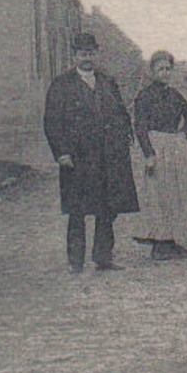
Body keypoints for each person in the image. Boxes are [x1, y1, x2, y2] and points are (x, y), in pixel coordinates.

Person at [42, 31, 139, 273]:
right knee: (77, 211)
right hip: (77, 159)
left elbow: (120, 113)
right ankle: (76, 261)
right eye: (82, 54)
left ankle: (103, 257)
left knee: (107, 209)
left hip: (107, 158)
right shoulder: (61, 85)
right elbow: (52, 122)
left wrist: (125, 135)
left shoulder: (107, 82)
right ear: (74, 56)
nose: (87, 58)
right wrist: (61, 153)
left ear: (96, 55)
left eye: (91, 54)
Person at [132, 50, 187, 261]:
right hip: (155, 144)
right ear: (152, 71)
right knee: (157, 195)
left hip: (173, 146)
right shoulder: (144, 96)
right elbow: (140, 127)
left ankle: (172, 241)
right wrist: (148, 154)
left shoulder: (174, 94)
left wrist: (183, 133)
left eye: (167, 69)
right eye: (160, 69)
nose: (164, 73)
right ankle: (159, 244)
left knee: (175, 194)